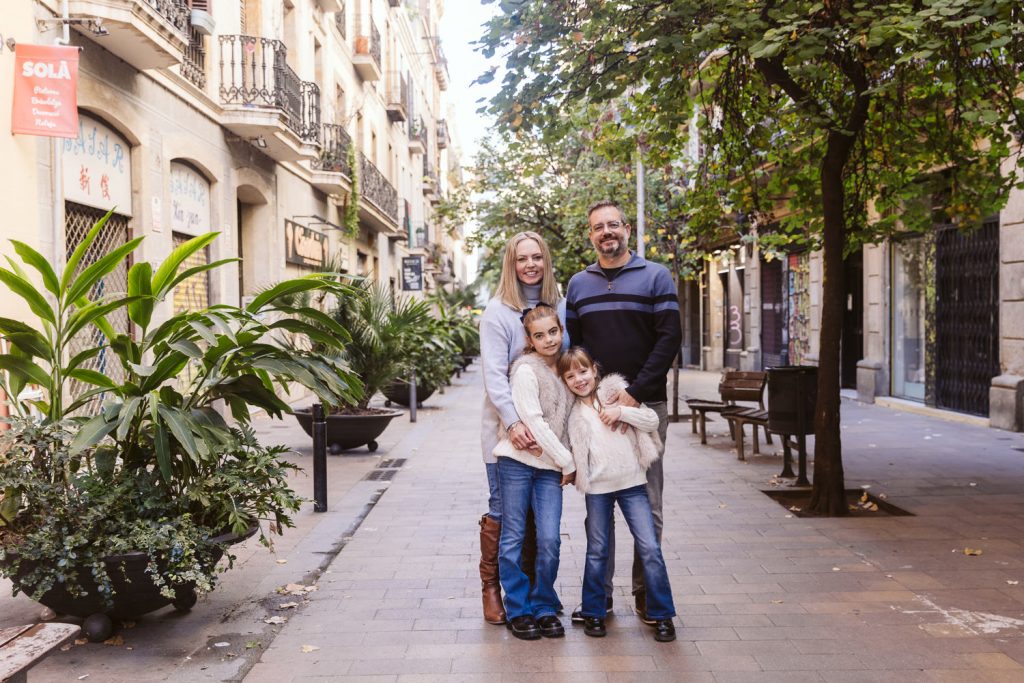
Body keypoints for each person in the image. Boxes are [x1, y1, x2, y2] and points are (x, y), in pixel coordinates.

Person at [565, 199, 682, 625]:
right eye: (599, 227)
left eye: (613, 225)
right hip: (596, 410)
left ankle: (647, 597)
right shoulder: (578, 285)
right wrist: (590, 402)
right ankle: (601, 600)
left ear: (627, 229)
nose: (606, 232)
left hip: (645, 404)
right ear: (590, 235)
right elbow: (575, 351)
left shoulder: (656, 276)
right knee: (600, 503)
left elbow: (669, 339)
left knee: (648, 503)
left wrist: (633, 394)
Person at [560, 347, 677, 642]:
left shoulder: (616, 391)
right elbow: (570, 451)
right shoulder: (573, 415)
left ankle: (662, 613)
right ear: (565, 381)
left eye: (583, 371)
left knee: (649, 546)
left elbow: (651, 421)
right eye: (570, 375)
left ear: (595, 371)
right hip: (598, 489)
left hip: (632, 484)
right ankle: (594, 611)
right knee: (597, 550)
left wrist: (622, 411)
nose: (579, 379)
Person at [478, 232, 564, 626]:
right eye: (521, 258)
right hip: (505, 430)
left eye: (537, 257)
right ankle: (492, 588)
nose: (530, 264)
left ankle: (535, 598)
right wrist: (512, 423)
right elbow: (494, 377)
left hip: (546, 435)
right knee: (505, 513)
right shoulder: (498, 311)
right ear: (510, 265)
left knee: (541, 526)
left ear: (545, 261)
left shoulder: (556, 303)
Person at [493, 304, 576, 640]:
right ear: (529, 339)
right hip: (517, 463)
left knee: (550, 538)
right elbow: (534, 421)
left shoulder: (567, 369)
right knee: (513, 536)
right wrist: (568, 462)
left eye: (553, 332)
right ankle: (518, 608)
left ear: (562, 330)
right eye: (539, 335)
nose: (548, 339)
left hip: (547, 469)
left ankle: (543, 604)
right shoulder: (525, 370)